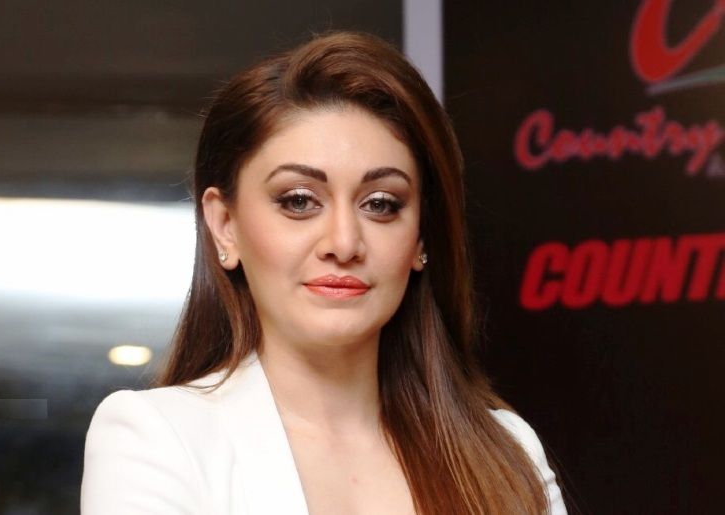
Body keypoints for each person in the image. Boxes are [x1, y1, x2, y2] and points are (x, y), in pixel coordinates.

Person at [81, 30, 567, 515]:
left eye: (381, 204)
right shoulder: (157, 439)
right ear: (225, 226)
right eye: (299, 201)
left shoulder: (507, 453)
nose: (343, 243)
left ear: (422, 237)